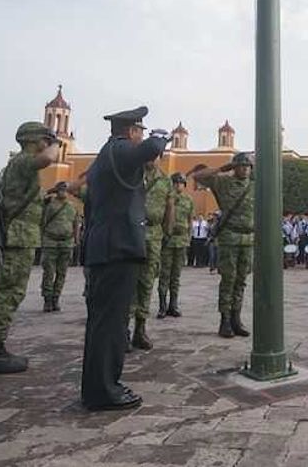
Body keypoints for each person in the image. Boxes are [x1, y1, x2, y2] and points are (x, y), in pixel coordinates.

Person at [80, 107, 168, 411]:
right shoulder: (119, 150)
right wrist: (162, 135)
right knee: (112, 323)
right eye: (140, 131)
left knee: (103, 321)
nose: (141, 136)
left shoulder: (103, 158)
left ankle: (96, 387)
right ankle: (105, 390)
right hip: (118, 247)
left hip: (105, 246)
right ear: (131, 132)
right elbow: (152, 148)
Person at [0, 122, 60, 376]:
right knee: (9, 292)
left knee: (11, 291)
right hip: (18, 237)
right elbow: (47, 159)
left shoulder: (18, 167)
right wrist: (58, 143)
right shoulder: (23, 161)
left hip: (20, 237)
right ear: (36, 140)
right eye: (46, 139)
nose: (48, 144)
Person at [192, 152, 255, 339]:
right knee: (228, 279)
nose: (244, 168)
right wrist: (221, 169)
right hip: (230, 237)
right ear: (234, 167)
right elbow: (198, 176)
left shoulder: (255, 186)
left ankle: (237, 318)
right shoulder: (223, 183)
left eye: (247, 165)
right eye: (240, 165)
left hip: (248, 239)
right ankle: (225, 320)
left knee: (241, 280)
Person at [130, 157, 172, 349]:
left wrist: (168, 231)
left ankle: (140, 328)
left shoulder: (165, 180)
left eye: (156, 156)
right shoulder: (132, 174)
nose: (152, 160)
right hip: (131, 233)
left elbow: (169, 207)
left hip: (154, 235)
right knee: (128, 282)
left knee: (147, 282)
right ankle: (123, 330)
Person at [159, 173, 194, 318]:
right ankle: (162, 306)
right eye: (175, 182)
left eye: (181, 183)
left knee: (176, 276)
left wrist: (189, 237)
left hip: (181, 241)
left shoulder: (188, 200)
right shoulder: (166, 199)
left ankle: (173, 305)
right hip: (168, 240)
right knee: (165, 274)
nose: (178, 185)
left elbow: (190, 220)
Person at [40, 182, 79, 312]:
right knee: (49, 273)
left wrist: (76, 240)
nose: (63, 192)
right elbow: (42, 221)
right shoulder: (49, 205)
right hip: (50, 242)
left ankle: (56, 298)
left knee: (62, 273)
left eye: (64, 190)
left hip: (66, 243)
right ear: (56, 191)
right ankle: (47, 299)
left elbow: (75, 224)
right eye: (60, 190)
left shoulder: (72, 206)